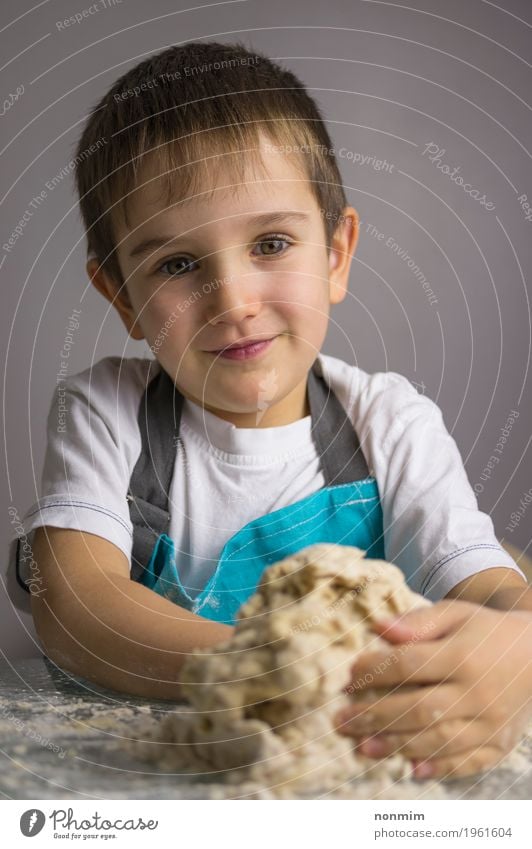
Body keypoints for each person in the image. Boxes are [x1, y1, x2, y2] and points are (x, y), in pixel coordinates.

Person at [19, 41, 532, 781]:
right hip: (151, 772)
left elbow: (487, 587)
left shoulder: (389, 424)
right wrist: (270, 669)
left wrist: (514, 654)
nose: (233, 302)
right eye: (178, 264)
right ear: (122, 296)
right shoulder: (109, 413)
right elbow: (80, 608)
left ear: (336, 254)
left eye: (271, 242)